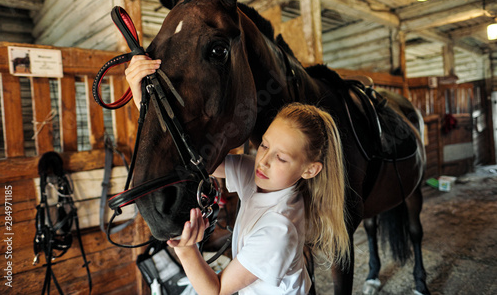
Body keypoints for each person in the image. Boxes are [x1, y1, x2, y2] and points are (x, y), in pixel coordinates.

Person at [125, 56, 350, 295]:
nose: (263, 161)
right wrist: (143, 101)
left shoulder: (278, 229)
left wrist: (186, 250)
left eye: (281, 158)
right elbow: (197, 159)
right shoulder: (261, 177)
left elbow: (217, 290)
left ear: (310, 170)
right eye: (264, 145)